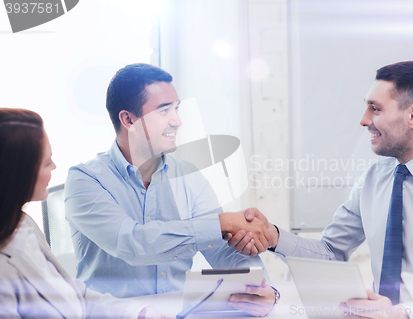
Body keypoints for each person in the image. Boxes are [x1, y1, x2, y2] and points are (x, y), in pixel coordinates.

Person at [235, 61, 413, 318]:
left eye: (375, 109)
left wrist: (403, 314)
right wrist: (274, 237)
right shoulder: (374, 178)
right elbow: (331, 252)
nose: (364, 120)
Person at [64, 63, 276, 316]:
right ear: (128, 119)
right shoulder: (85, 180)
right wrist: (221, 223)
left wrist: (261, 287)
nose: (177, 121)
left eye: (176, 109)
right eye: (164, 111)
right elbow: (132, 243)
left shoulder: (189, 177)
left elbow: (222, 249)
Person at [0, 108, 165, 319]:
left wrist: (138, 313)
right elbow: (133, 242)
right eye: (46, 162)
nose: (54, 166)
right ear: (16, 173)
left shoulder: (23, 224)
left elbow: (73, 295)